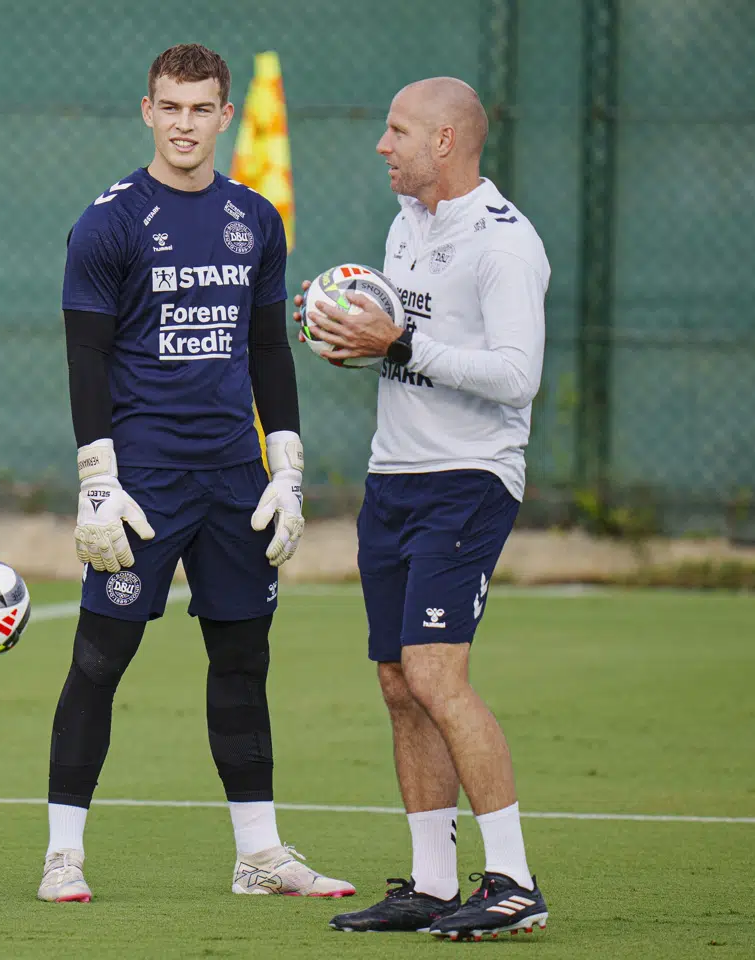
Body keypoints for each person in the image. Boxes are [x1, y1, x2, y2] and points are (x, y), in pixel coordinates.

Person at [38, 42, 355, 904]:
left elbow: (266, 350)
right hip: (143, 484)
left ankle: (259, 855)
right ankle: (63, 855)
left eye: (201, 109)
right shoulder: (108, 221)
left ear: (225, 115)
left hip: (232, 480)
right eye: (169, 108)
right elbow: (86, 359)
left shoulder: (255, 217)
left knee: (243, 660)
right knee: (101, 660)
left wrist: (285, 467)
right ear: (148, 111)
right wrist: (96, 483)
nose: (185, 125)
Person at [300, 77, 551, 941]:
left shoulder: (505, 245)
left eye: (397, 130)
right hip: (395, 476)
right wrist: (359, 343)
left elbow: (519, 375)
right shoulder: (407, 226)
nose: (382, 144)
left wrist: (401, 342)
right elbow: (416, 347)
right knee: (400, 683)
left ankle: (514, 881)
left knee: (438, 675)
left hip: (469, 476)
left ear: (445, 141)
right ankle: (433, 884)